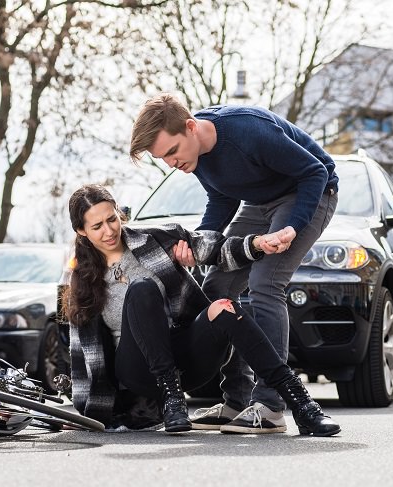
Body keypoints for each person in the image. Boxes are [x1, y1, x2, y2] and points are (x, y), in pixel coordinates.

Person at [129, 93, 339, 434]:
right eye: (162, 158)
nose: (171, 163)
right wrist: (199, 243)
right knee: (216, 288)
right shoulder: (195, 155)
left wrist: (292, 226)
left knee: (266, 282)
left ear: (191, 127)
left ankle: (270, 405)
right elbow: (222, 196)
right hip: (259, 204)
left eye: (172, 151)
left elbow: (314, 172)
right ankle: (237, 400)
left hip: (309, 194)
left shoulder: (248, 130)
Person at [64, 184, 340, 436]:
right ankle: (172, 398)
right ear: (81, 231)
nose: (109, 231)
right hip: (138, 373)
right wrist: (88, 413)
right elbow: (82, 353)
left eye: (112, 219)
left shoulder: (156, 239)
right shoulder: (80, 279)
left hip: (187, 358)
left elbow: (214, 249)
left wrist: (256, 244)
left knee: (223, 307)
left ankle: (302, 403)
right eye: (97, 226)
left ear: (119, 215)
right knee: (142, 288)